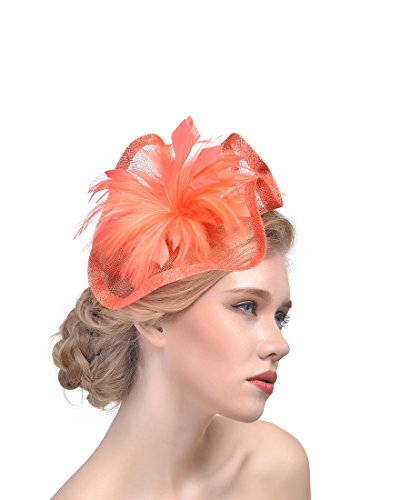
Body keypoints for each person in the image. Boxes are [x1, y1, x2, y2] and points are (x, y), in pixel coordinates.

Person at [51, 117, 311, 499]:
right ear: (154, 320)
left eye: (280, 317)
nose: (279, 345)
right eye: (246, 307)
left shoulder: (274, 468)